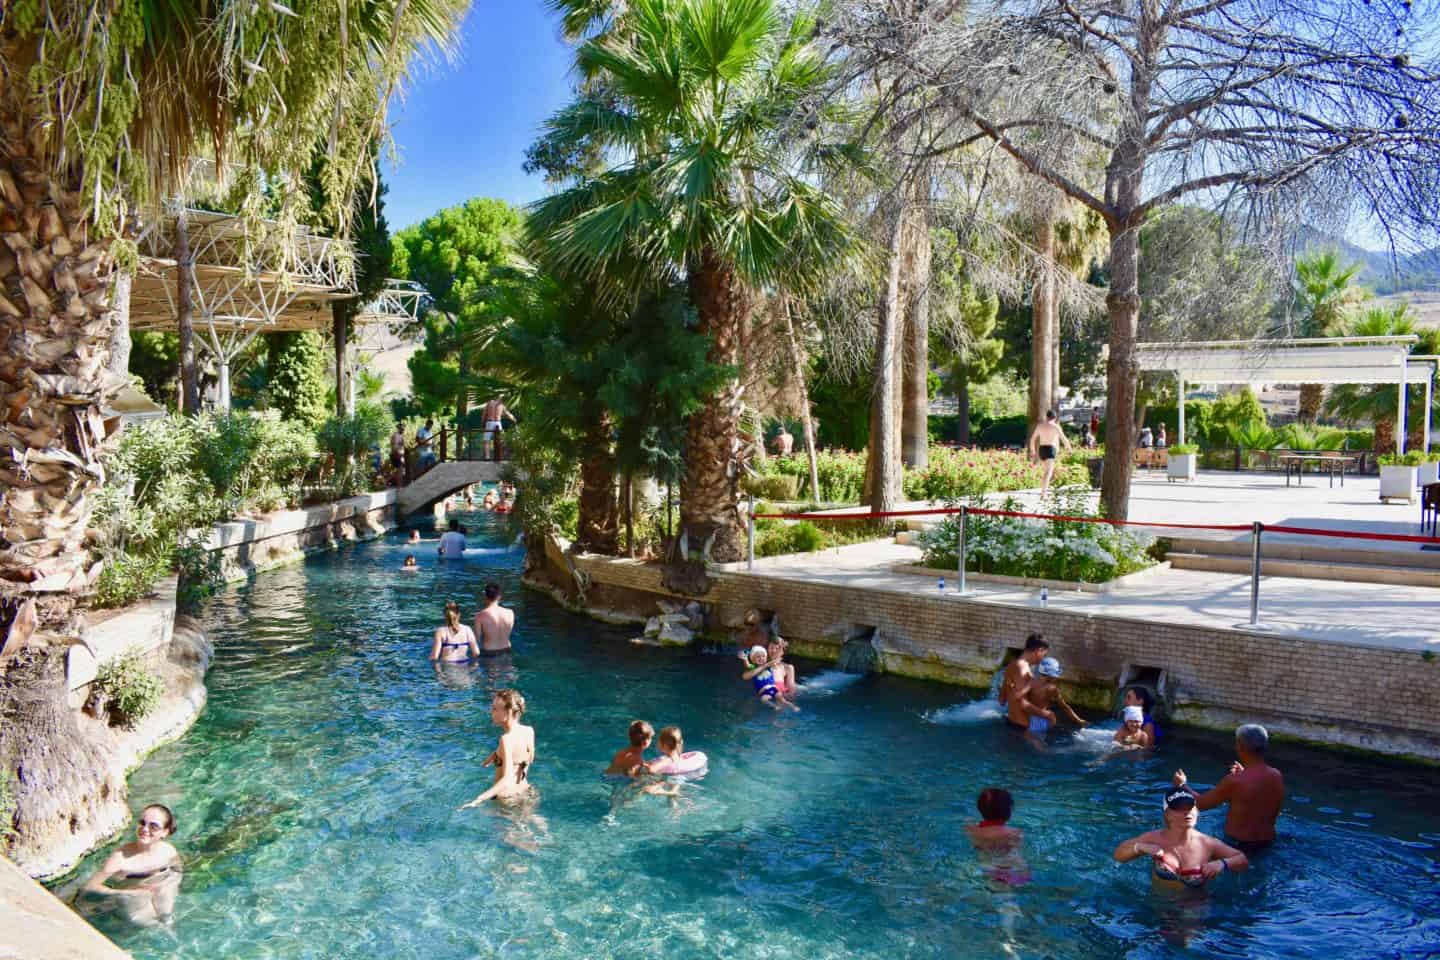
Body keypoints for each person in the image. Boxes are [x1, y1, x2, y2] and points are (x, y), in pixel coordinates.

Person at [1172, 723, 1284, 853]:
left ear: (1240, 746)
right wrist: (1244, 772)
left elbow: (1200, 804)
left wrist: (1182, 785)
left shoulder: (1235, 781)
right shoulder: (1276, 775)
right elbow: (1255, 795)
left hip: (1237, 845)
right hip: (1267, 843)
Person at [1113, 788, 1249, 891]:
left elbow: (1242, 860)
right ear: (1167, 814)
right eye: (1179, 809)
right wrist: (1140, 847)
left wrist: (1222, 864)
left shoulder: (1208, 843)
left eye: (1190, 807)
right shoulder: (1153, 838)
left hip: (1195, 908)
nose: (1187, 812)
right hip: (1159, 905)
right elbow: (1118, 856)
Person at [78, 804, 182, 927]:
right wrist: (123, 893)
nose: (145, 829)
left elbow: (177, 871)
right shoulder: (121, 858)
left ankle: (167, 922)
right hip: (133, 897)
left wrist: (167, 885)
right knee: (154, 927)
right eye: (142, 823)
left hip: (158, 890)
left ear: (165, 832)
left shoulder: (169, 851)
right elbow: (90, 887)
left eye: (153, 826)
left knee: (167, 916)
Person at [461, 689, 535, 808]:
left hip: (507, 799)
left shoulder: (506, 739)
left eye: (495, 709)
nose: (491, 712)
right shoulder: (529, 731)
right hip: (527, 792)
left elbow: (506, 779)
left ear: (509, 712)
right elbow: (528, 759)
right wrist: (495, 756)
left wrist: (479, 799)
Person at [965, 788, 1031, 887]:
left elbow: (968, 826)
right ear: (1008, 812)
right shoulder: (1015, 833)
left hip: (988, 868)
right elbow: (1019, 850)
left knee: (1000, 895)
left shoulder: (973, 831)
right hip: (1015, 869)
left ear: (980, 810)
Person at [1021, 657, 1088, 737]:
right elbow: (1065, 707)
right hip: (1038, 721)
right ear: (1051, 675)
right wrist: (1078, 720)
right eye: (1055, 675)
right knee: (1039, 743)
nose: (1057, 677)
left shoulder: (1030, 681)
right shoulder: (1052, 688)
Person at [999, 633, 1049, 730]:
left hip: (1011, 724)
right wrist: (1047, 715)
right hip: (1022, 729)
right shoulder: (1023, 668)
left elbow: (1001, 700)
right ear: (1040, 650)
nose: (1044, 658)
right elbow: (1021, 702)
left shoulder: (1011, 665)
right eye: (1044, 654)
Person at [1026, 410, 1071, 498]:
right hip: (1050, 449)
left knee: (1047, 471)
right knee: (1048, 472)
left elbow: (1032, 439)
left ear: (1046, 417)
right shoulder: (1055, 427)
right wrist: (1069, 448)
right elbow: (1064, 439)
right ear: (1055, 418)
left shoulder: (1040, 426)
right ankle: (1043, 493)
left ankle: (1045, 490)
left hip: (1042, 449)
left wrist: (1032, 451)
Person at [741, 644, 800, 711]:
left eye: (763, 656)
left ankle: (793, 707)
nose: (761, 658)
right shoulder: (754, 668)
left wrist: (781, 651)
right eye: (758, 657)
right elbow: (747, 666)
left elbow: (775, 662)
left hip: (773, 688)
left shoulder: (770, 665)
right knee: (764, 700)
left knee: (782, 700)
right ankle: (774, 706)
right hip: (764, 690)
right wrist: (745, 659)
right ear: (753, 660)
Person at [474, 582, 515, 655]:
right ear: (499, 597)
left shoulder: (480, 616)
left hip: (489, 651)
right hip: (507, 650)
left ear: (485, 596)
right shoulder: (510, 613)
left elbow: (477, 640)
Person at [480, 397, 517, 461]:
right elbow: (508, 414)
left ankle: (487, 457)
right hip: (498, 423)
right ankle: (501, 456)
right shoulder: (501, 405)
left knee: (487, 440)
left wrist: (482, 423)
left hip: (490, 422)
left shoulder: (489, 403)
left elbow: (484, 414)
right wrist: (514, 419)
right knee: (501, 440)